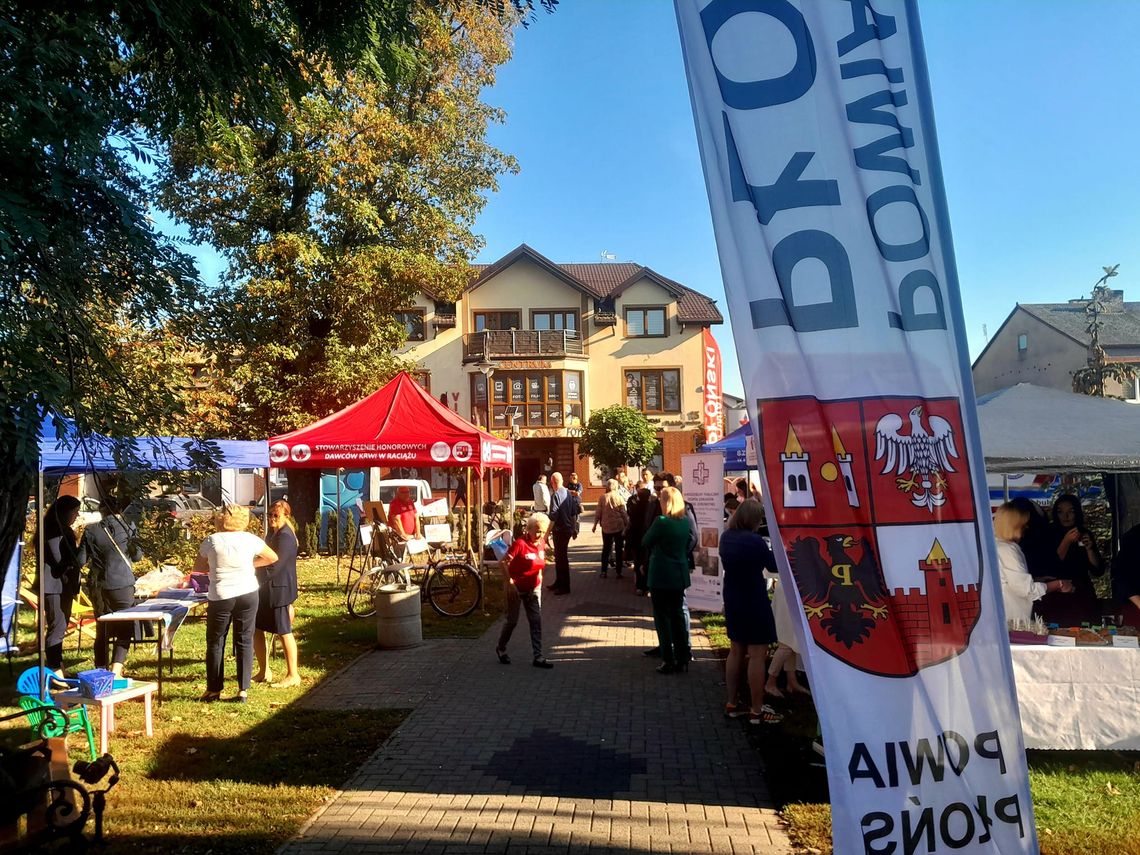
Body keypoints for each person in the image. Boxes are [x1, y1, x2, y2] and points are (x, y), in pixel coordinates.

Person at [194, 504, 277, 702]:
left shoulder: (212, 540)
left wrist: (213, 567)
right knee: (244, 639)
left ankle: (214, 689)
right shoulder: (250, 539)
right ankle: (243, 689)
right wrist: (251, 563)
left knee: (216, 641)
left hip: (221, 594)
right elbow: (272, 557)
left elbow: (197, 568)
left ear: (220, 519)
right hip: (248, 591)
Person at [720, 499, 782, 724]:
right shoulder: (755, 541)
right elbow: (774, 566)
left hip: (733, 598)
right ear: (754, 520)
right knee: (757, 655)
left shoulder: (726, 537)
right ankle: (757, 710)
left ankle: (732, 702)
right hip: (754, 599)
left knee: (735, 651)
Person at [83, 498, 142, 677]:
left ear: (101, 510)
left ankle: (100, 669)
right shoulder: (129, 527)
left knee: (102, 630)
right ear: (120, 509)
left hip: (99, 585)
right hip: (123, 583)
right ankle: (116, 670)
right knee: (125, 628)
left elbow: (81, 559)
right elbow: (138, 556)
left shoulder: (91, 530)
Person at [994, 501, 1071, 625]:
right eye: (1024, 524)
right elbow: (1028, 591)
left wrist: (1038, 580)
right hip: (1013, 620)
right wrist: (1059, 584)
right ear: (1014, 526)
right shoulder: (1009, 550)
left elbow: (1011, 581)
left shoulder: (994, 546)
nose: (1027, 527)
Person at [642, 486, 692, 674]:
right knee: (678, 616)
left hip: (662, 574)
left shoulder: (661, 522)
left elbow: (646, 541)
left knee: (662, 618)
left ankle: (668, 659)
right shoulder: (685, 522)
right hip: (679, 573)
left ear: (665, 502)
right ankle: (683, 656)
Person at [495, 513, 554, 669]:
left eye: (542, 531)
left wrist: (539, 579)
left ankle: (538, 656)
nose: (539, 535)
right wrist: (510, 582)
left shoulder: (541, 543)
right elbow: (502, 563)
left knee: (535, 621)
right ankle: (501, 648)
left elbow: (541, 564)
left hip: (533, 588)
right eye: (537, 531)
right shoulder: (520, 544)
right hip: (516, 587)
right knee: (512, 621)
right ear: (529, 529)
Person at [253, 500, 301, 688]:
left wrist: (249, 567)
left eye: (276, 515)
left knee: (284, 631)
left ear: (286, 517)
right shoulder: (273, 534)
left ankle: (293, 674)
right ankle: (264, 671)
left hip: (279, 590)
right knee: (257, 628)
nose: (272, 518)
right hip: (266, 589)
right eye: (270, 514)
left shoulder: (286, 537)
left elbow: (275, 566)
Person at [36, 496, 85, 675]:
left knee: (60, 627)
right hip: (53, 586)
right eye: (74, 512)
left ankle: (59, 668)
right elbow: (59, 561)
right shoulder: (52, 531)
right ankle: (55, 670)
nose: (76, 515)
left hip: (63, 586)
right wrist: (76, 560)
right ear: (64, 512)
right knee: (56, 627)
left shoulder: (63, 530)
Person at [1038, 494, 1103, 625]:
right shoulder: (1048, 533)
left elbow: (1098, 570)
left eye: (1070, 511)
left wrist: (1090, 549)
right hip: (1057, 594)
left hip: (1082, 594)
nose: (1066, 516)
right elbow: (1050, 565)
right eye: (1060, 512)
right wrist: (1066, 542)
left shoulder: (1084, 533)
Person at [546, 472, 580, 595]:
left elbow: (553, 516)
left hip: (560, 530)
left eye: (551, 482)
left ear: (553, 482)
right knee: (560, 557)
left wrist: (546, 534)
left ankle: (564, 586)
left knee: (561, 558)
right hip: (567, 530)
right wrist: (574, 528)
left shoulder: (555, 495)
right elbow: (573, 513)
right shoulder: (568, 493)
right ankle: (559, 582)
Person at [593, 479, 629, 578]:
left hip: (606, 527)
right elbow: (623, 512)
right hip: (618, 526)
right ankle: (619, 572)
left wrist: (595, 524)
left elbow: (598, 512)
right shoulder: (619, 497)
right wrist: (627, 524)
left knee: (606, 548)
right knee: (619, 548)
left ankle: (604, 571)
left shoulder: (602, 497)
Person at [626, 486, 656, 595]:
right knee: (647, 562)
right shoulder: (652, 508)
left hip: (636, 539)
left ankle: (639, 586)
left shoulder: (634, 507)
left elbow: (631, 521)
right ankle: (648, 587)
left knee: (638, 562)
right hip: (647, 538)